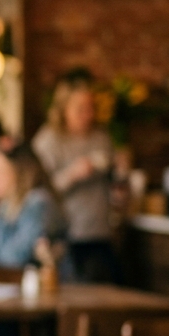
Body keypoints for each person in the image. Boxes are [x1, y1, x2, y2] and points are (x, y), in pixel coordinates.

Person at [32, 76, 117, 282]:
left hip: (100, 231)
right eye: (80, 108)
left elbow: (113, 182)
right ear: (63, 109)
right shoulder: (48, 141)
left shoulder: (101, 138)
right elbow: (38, 190)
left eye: (91, 107)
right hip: (66, 236)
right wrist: (72, 174)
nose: (87, 114)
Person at [0, 146, 61, 268]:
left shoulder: (37, 201)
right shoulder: (4, 205)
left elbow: (16, 257)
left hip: (50, 284)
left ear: (20, 172)